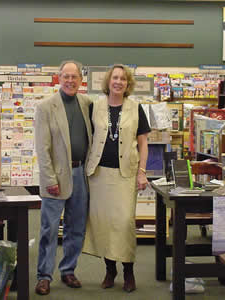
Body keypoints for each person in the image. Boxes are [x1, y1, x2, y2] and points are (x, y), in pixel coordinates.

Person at [83, 64, 151, 293]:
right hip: (99, 175)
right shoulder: (95, 106)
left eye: (123, 78)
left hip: (126, 175)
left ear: (128, 83)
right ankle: (110, 270)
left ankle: (128, 271)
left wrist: (142, 172)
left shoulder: (135, 108)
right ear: (108, 81)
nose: (118, 82)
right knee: (103, 224)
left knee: (124, 224)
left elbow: (143, 143)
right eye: (115, 78)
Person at [34, 60, 92, 295]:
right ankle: (44, 276)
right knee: (49, 229)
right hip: (55, 178)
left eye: (74, 77)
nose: (70, 80)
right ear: (59, 78)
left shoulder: (87, 104)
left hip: (81, 175)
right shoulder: (46, 107)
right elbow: (42, 147)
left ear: (80, 79)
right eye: (66, 76)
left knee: (76, 227)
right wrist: (49, 180)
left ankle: (68, 270)